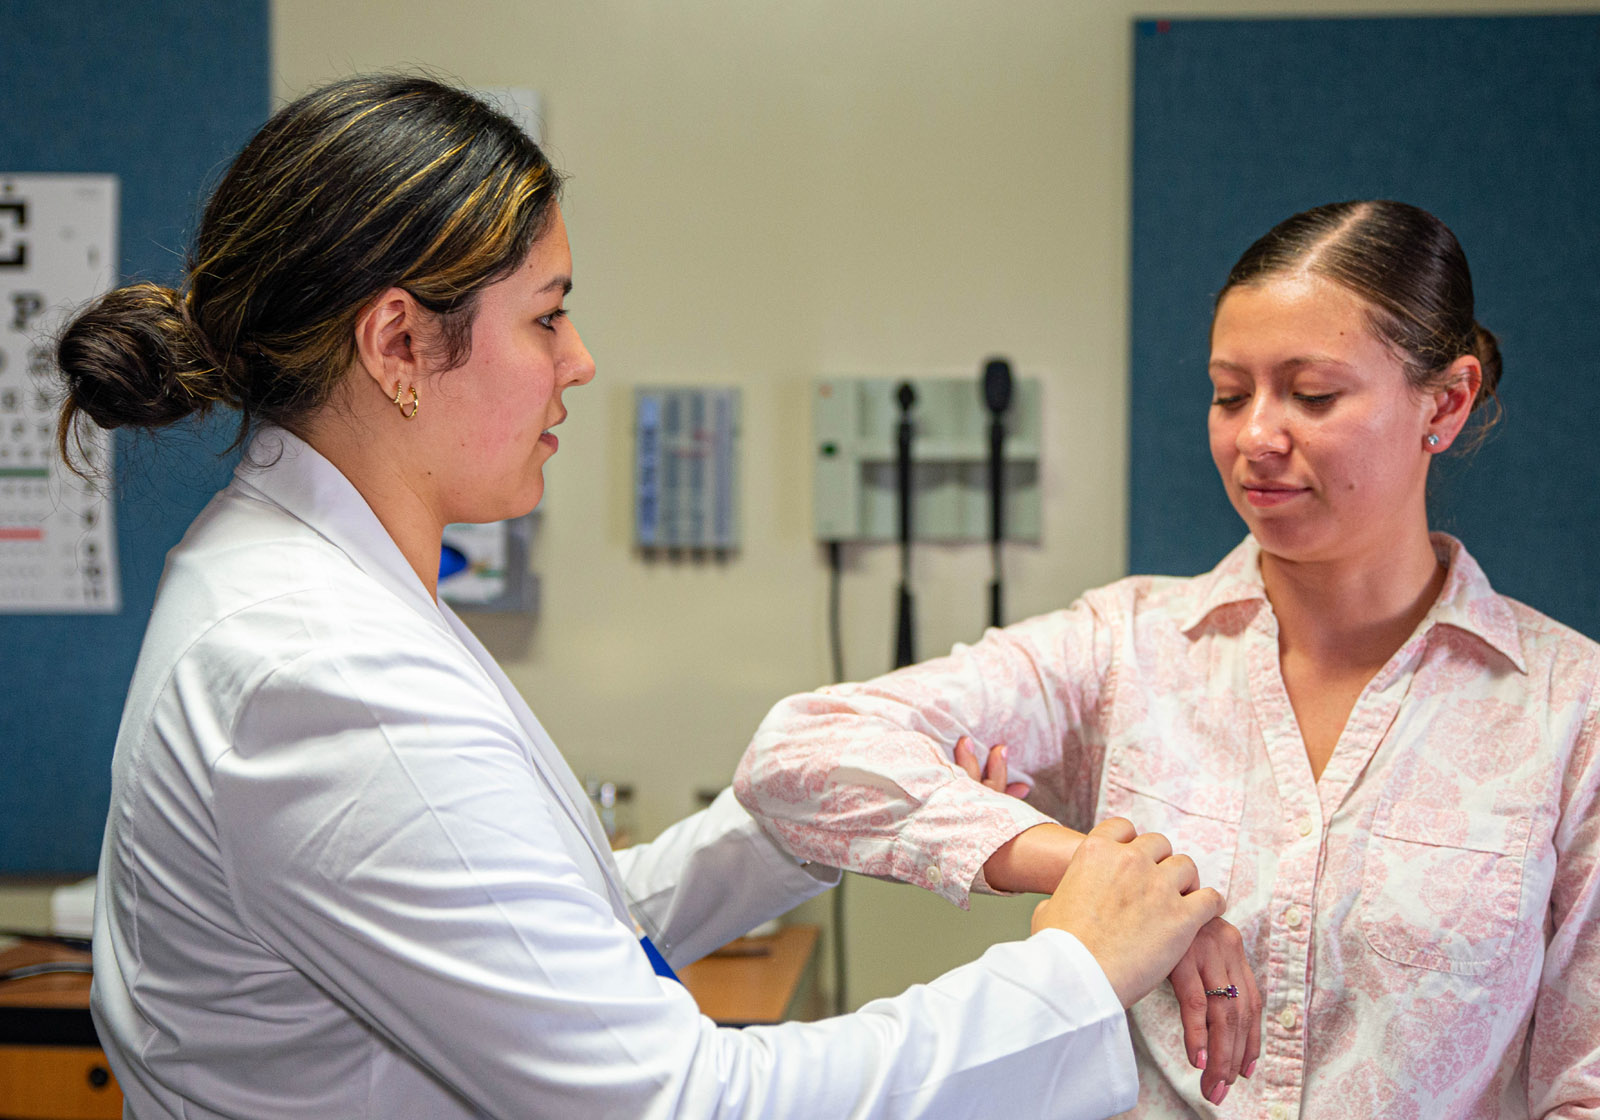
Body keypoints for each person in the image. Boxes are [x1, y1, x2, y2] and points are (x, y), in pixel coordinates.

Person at [58, 75, 1235, 1120]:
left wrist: (788, 833)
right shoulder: (325, 672)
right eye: (547, 315)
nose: (578, 360)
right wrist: (1072, 974)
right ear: (398, 343)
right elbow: (680, 1100)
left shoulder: (299, 582)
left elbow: (540, 940)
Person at [736, 200, 1600, 1117]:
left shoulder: (1571, 711)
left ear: (1447, 402)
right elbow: (797, 756)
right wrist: (1098, 873)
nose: (1255, 436)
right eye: (1230, 395)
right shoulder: (1125, 648)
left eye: (1312, 395)